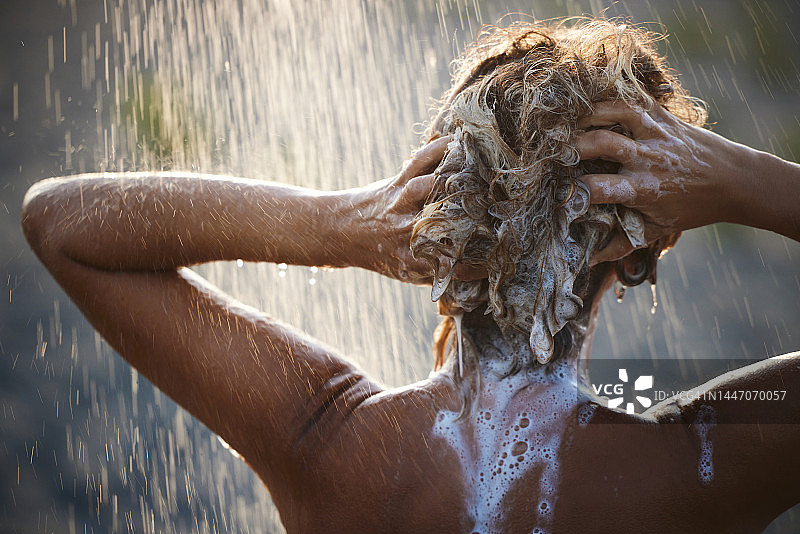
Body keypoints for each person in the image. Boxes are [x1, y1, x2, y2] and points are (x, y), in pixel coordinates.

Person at [21, 18, 800, 534]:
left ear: (426, 206)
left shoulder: (327, 440)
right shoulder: (693, 470)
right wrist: (742, 182)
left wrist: (337, 225)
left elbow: (60, 223)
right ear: (644, 248)